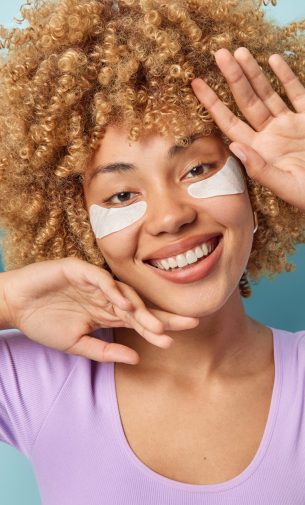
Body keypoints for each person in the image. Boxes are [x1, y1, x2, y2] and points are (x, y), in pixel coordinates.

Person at [0, 0, 305, 503]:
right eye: (121, 195)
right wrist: (8, 301)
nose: (170, 217)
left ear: (256, 182)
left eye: (198, 169)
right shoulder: (37, 379)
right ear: (78, 224)